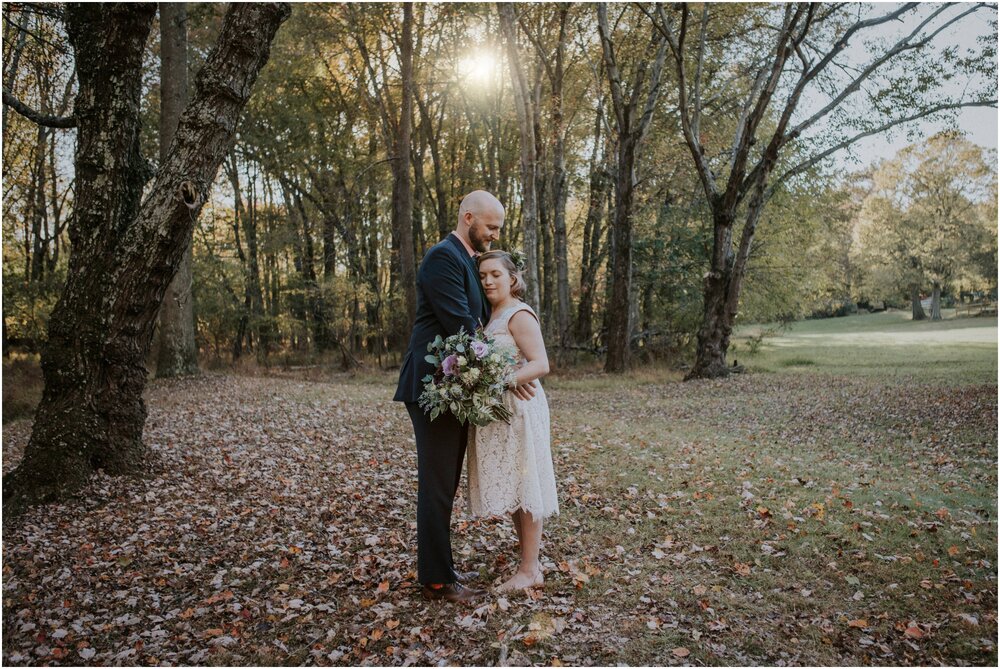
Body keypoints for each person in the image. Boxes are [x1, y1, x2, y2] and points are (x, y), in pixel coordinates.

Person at [393, 191, 537, 604]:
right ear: (468, 216)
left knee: (444, 482)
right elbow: (462, 326)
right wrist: (507, 373)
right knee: (437, 485)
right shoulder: (443, 257)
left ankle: (441, 568)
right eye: (490, 226)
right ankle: (437, 580)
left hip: (454, 388)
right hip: (432, 387)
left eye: (498, 229)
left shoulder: (469, 261)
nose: (494, 234)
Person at [467, 250, 558, 592]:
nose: (488, 281)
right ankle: (528, 562)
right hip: (500, 413)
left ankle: (529, 569)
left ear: (512, 278)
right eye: (483, 276)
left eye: (495, 274)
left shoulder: (519, 314)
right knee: (515, 487)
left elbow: (540, 364)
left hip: (521, 409)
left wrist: (505, 381)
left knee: (527, 484)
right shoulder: (491, 316)